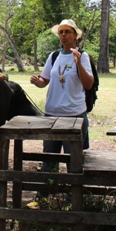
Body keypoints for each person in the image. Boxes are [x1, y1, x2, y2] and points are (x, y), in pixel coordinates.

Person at [30, 19, 94, 173]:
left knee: (74, 161)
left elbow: (89, 84)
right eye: (61, 32)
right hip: (52, 115)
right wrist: (37, 81)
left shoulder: (83, 56)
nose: (64, 35)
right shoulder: (54, 56)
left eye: (67, 32)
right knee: (49, 160)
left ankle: (72, 196)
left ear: (75, 35)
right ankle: (46, 194)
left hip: (74, 116)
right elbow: (45, 80)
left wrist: (78, 64)